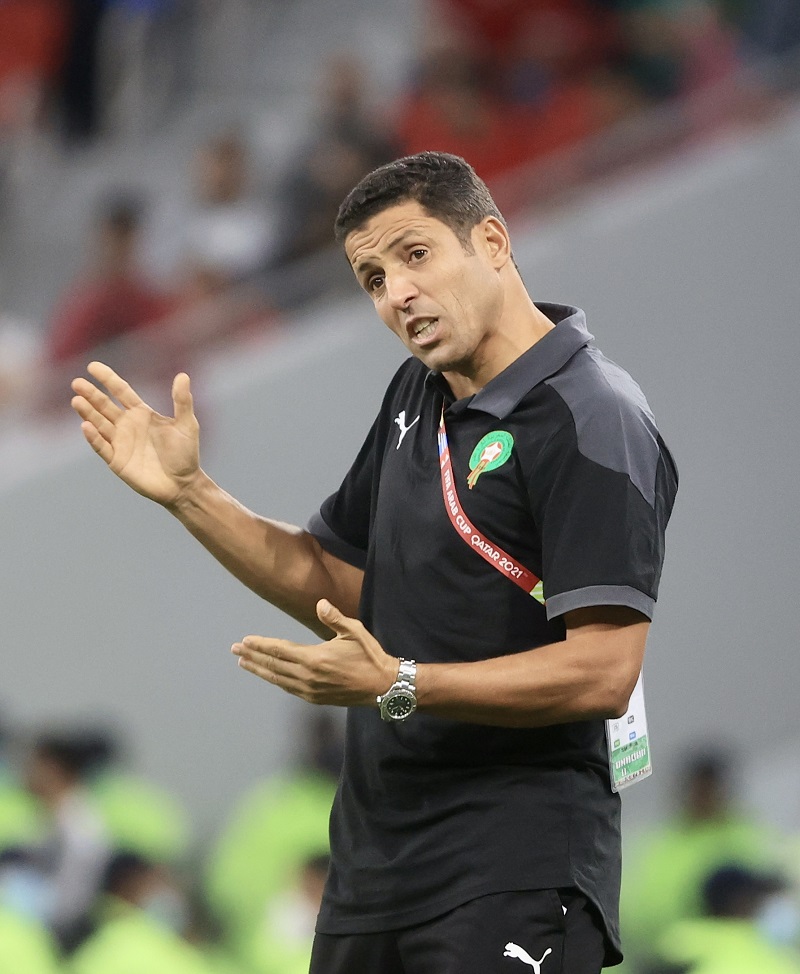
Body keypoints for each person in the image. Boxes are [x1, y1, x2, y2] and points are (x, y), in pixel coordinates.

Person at [70, 150, 678, 973]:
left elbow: (604, 671)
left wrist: (400, 683)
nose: (398, 294)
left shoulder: (592, 416)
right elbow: (337, 582)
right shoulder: (415, 396)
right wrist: (190, 495)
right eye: (373, 279)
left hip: (514, 865)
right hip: (373, 872)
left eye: (416, 255)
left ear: (492, 241)